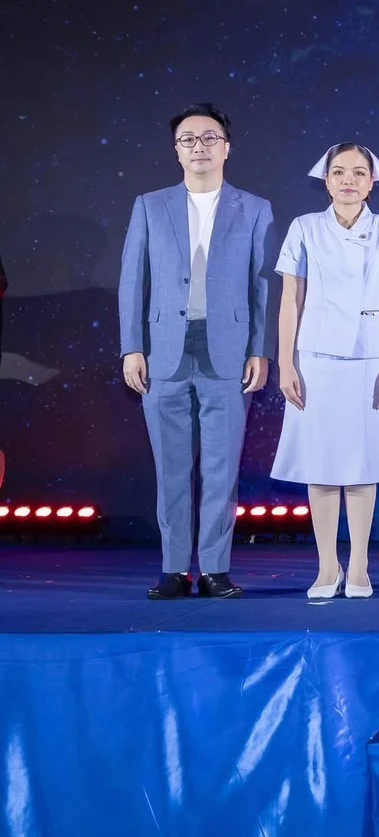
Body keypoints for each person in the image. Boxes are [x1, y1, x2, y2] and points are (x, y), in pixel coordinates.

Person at [118, 103, 274, 600]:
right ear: (176, 151)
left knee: (221, 469)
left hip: (227, 350)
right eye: (188, 139)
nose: (199, 146)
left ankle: (214, 569)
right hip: (162, 350)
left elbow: (262, 286)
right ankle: (172, 569)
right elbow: (132, 281)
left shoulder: (254, 208)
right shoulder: (149, 205)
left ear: (227, 147)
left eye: (209, 138)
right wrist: (131, 347)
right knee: (171, 468)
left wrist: (260, 349)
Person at [272, 144, 379, 599]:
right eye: (339, 172)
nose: (348, 180)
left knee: (361, 464)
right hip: (315, 358)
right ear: (326, 180)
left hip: (370, 359)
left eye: (357, 173)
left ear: (372, 182)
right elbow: (291, 298)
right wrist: (286, 362)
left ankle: (359, 566)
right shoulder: (304, 227)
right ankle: (326, 566)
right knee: (320, 464)